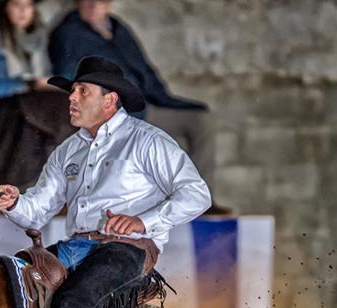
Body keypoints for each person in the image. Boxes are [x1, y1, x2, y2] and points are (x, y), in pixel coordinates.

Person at [0, 56, 211, 308]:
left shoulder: (148, 142)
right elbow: (39, 208)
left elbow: (196, 194)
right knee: (7, 285)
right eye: (72, 91)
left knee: (75, 304)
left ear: (110, 100)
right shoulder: (69, 151)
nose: (71, 99)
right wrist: (13, 203)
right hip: (78, 246)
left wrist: (143, 222)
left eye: (81, 92)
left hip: (127, 249)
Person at [48, 0, 229, 213]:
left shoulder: (117, 28)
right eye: (88, 0)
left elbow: (145, 69)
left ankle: (198, 200)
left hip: (145, 105)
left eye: (101, 0)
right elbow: (68, 74)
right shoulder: (69, 33)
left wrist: (163, 97)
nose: (94, 5)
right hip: (112, 111)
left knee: (201, 119)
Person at [0, 0, 74, 210]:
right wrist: (27, 84)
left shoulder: (36, 39)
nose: (23, 12)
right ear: (5, 8)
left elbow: (43, 74)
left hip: (24, 105)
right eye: (17, 5)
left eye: (27, 6)